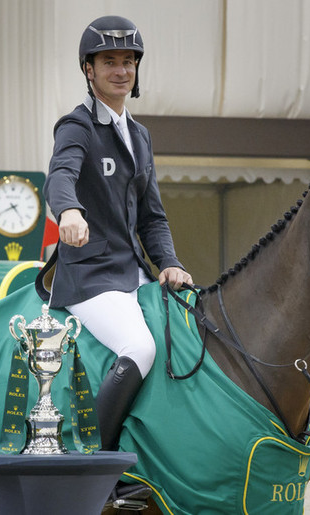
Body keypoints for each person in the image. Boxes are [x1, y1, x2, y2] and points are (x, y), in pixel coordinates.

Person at [35, 16, 191, 452]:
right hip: (90, 276)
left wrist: (171, 263)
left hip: (134, 273)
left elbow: (152, 219)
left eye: (128, 61)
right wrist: (68, 209)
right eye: (109, 62)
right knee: (140, 348)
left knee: (186, 336)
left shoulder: (140, 136)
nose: (121, 70)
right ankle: (94, 458)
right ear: (89, 69)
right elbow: (60, 176)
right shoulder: (77, 126)